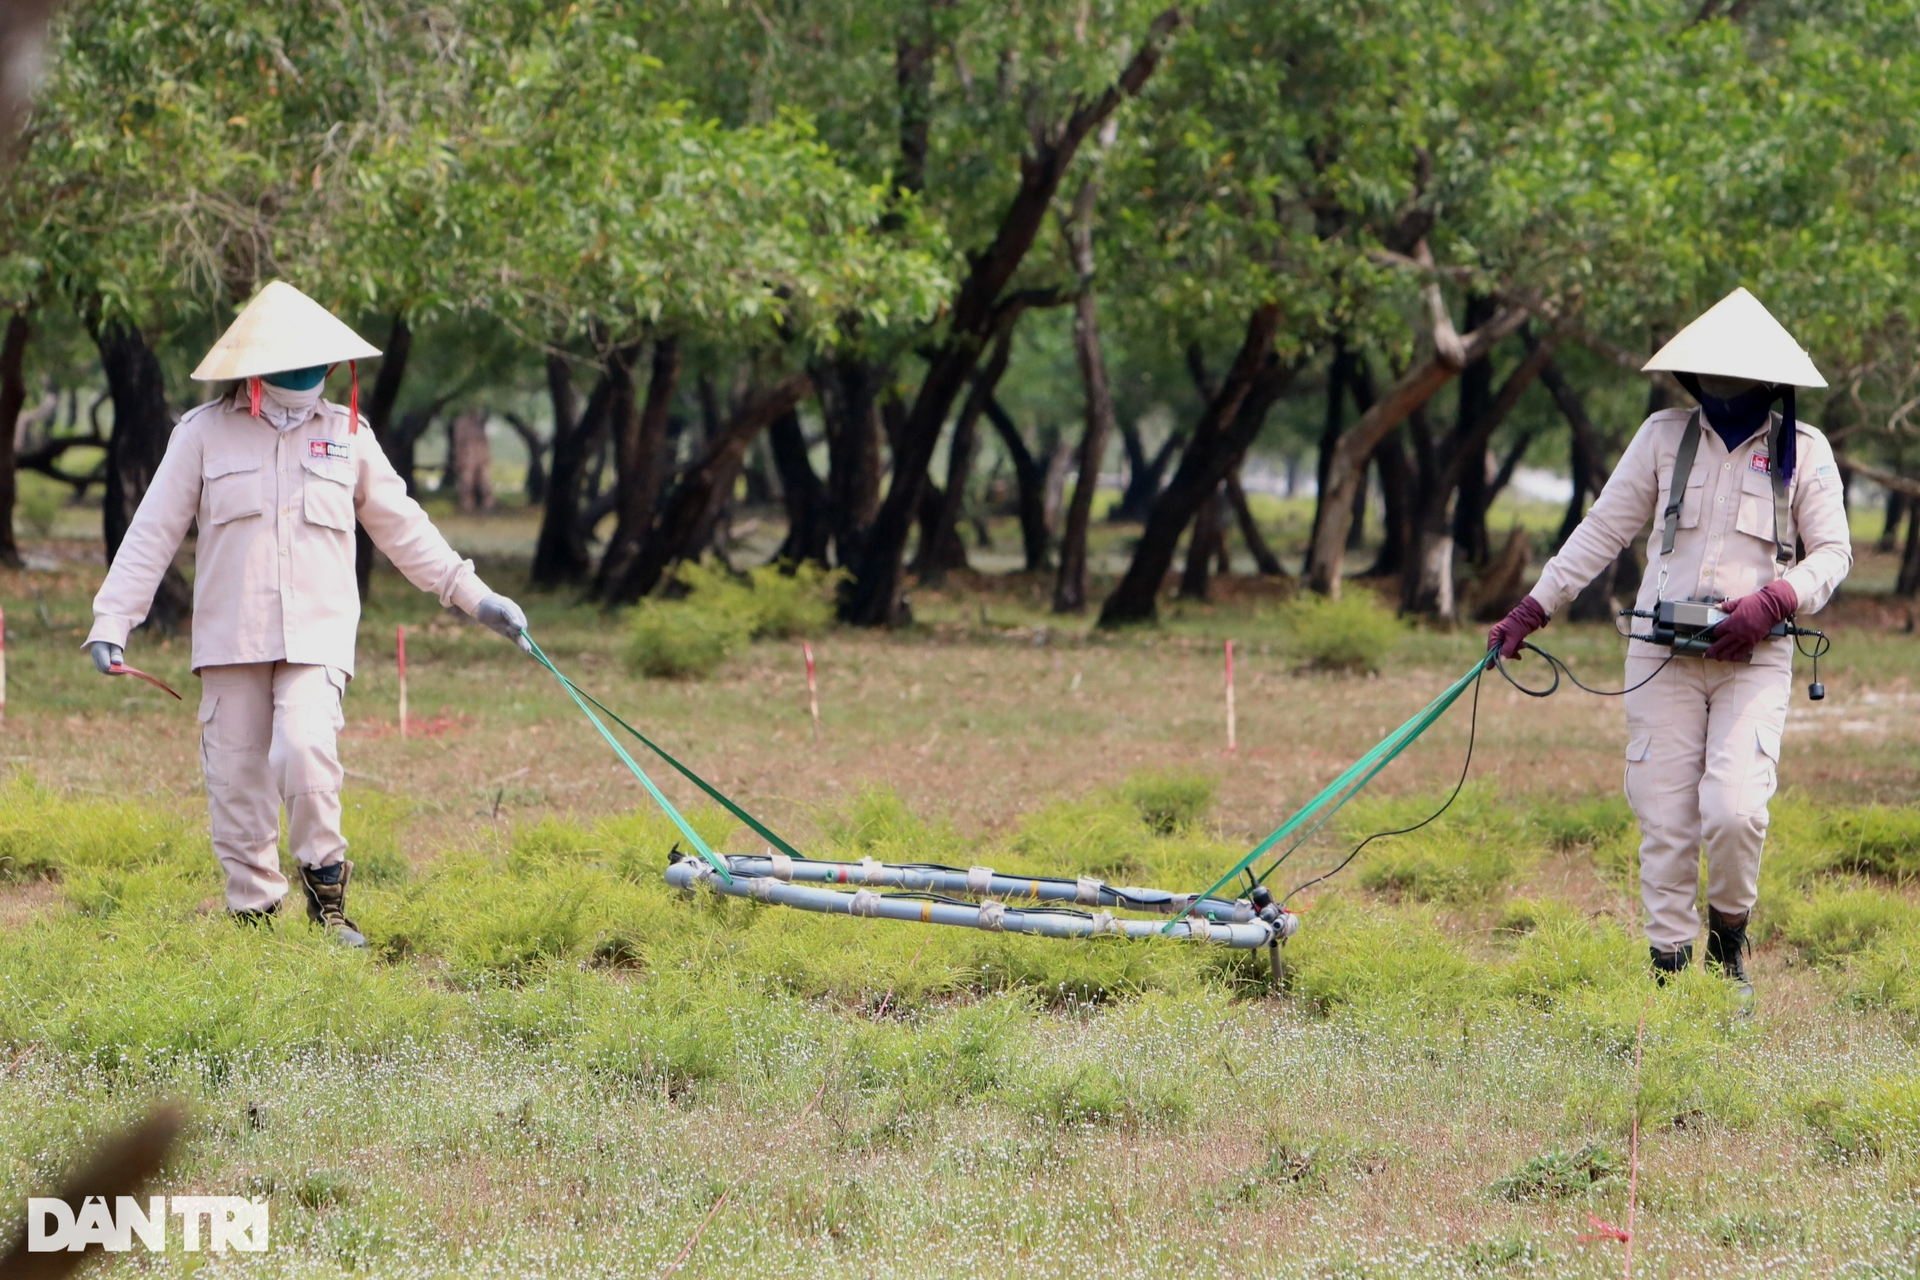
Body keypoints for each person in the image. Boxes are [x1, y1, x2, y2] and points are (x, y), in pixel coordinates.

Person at [84, 281, 532, 947]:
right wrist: (112, 620)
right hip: (230, 638)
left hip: (317, 637)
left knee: (305, 748)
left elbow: (404, 528)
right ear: (255, 362)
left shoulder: (348, 436)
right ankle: (255, 919)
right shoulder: (202, 435)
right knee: (236, 781)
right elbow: (152, 532)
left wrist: (475, 597)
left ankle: (327, 904)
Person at [1487, 288, 1852, 1003]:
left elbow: (1834, 553)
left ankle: (1728, 941)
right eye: (1713, 372)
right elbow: (1603, 529)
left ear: (1772, 380)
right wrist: (1535, 606)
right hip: (1660, 654)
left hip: (1756, 655)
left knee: (1735, 810)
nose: (1724, 386)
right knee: (1664, 816)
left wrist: (1775, 599)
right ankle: (1668, 973)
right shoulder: (1662, 436)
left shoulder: (1804, 452)